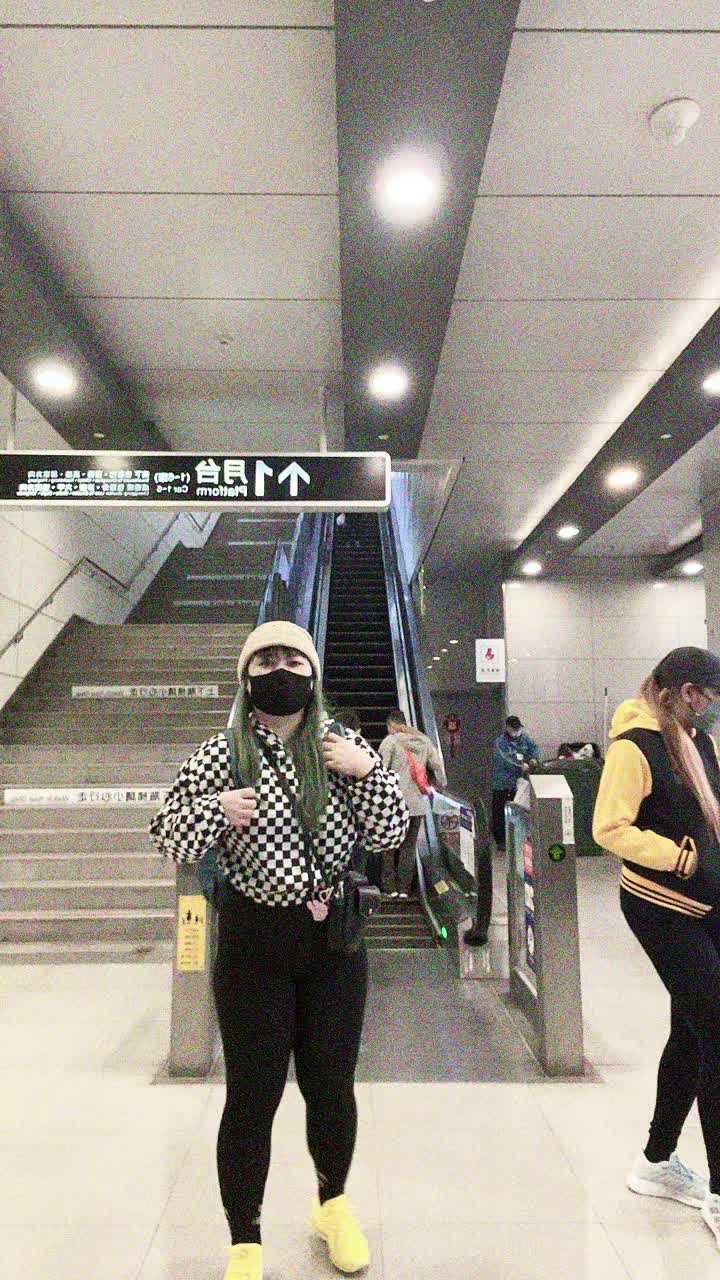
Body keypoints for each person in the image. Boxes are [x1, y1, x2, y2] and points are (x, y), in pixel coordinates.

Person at [150, 621, 409, 1280]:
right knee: (252, 1095)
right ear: (246, 677)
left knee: (332, 1087)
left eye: (293, 659)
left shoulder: (342, 745)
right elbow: (168, 835)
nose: (280, 671)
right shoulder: (220, 753)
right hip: (253, 947)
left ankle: (333, 1206)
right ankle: (245, 1239)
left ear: (313, 674)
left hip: (333, 948)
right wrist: (217, 811)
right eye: (265, 660)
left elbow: (389, 835)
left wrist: (369, 771)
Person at [592, 646, 720, 1250]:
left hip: (708, 901)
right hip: (661, 904)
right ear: (680, 692)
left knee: (695, 1028)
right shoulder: (634, 746)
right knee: (715, 1027)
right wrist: (679, 859)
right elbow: (608, 828)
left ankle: (656, 1161)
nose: (711, 706)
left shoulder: (699, 741)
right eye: (707, 695)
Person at [378, 709, 447, 897]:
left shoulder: (390, 742)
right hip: (417, 804)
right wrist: (440, 786)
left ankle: (390, 888)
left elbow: (380, 772)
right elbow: (437, 766)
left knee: (389, 846)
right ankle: (404, 889)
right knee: (408, 847)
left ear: (392, 725)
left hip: (393, 803)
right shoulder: (424, 742)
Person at [491, 715, 540, 849]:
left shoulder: (524, 738)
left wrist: (534, 759)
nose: (517, 732)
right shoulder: (500, 743)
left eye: (518, 729)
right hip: (503, 783)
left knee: (519, 812)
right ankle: (501, 841)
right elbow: (505, 759)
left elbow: (534, 748)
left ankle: (519, 840)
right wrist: (520, 766)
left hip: (519, 784)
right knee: (500, 812)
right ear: (507, 728)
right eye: (514, 730)